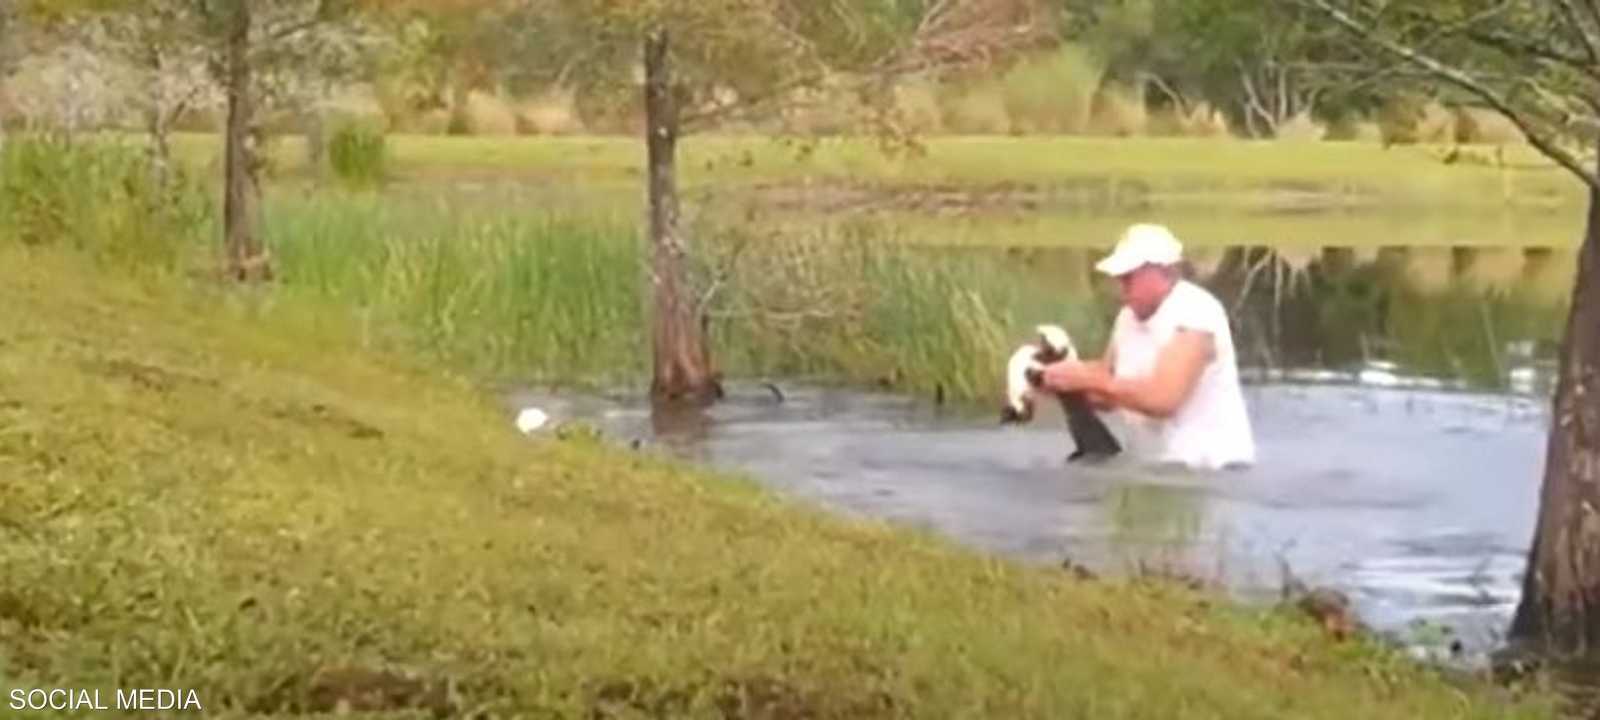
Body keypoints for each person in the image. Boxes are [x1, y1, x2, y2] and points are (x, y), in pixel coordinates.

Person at [1040, 223, 1255, 470]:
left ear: (1164, 271)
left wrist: (1086, 380)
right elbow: (1108, 387)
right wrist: (1058, 380)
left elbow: (1163, 399)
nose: (1120, 283)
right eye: (1119, 276)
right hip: (1154, 470)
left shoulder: (1196, 314)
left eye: (1129, 276)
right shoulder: (1127, 317)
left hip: (1212, 471)